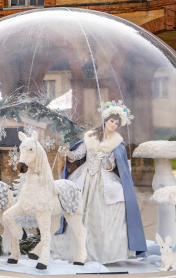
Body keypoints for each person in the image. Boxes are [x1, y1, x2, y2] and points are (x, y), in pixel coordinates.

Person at [53, 101, 146, 264]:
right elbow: (78, 155)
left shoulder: (117, 142)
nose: (113, 125)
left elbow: (114, 166)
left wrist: (106, 162)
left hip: (104, 178)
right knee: (76, 206)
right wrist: (67, 153)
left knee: (113, 200)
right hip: (84, 176)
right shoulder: (90, 137)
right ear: (106, 120)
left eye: (117, 123)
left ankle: (106, 252)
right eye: (112, 121)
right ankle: (76, 250)